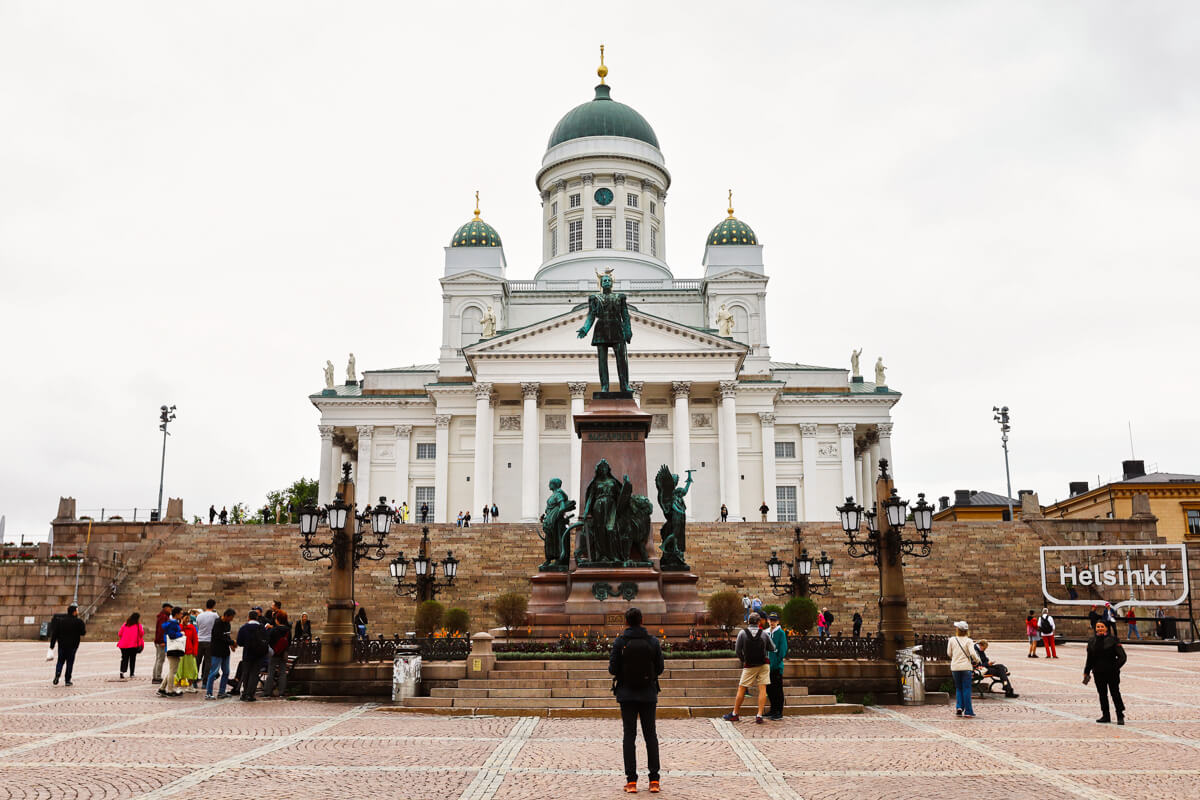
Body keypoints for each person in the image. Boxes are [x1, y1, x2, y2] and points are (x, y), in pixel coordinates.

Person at [609, 606, 664, 794]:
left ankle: (631, 782)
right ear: (642, 620)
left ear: (626, 622)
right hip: (648, 694)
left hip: (627, 694)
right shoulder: (653, 641)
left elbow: (613, 669)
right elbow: (660, 668)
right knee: (651, 737)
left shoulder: (620, 642)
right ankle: (654, 781)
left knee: (629, 737)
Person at [723, 612, 776, 724]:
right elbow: (772, 648)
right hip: (763, 664)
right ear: (758, 622)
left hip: (749, 665)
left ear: (748, 621)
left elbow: (737, 650)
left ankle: (735, 713)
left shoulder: (742, 633)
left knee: (742, 688)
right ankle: (759, 715)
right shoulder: (763, 634)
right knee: (762, 689)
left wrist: (744, 660)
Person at [1084, 620, 1127, 724]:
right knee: (1102, 694)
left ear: (1107, 628)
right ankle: (1105, 715)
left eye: (1102, 626)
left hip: (1112, 672)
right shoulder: (1092, 641)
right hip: (1098, 672)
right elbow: (1089, 658)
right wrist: (1086, 671)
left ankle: (1120, 715)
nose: (1099, 628)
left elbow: (1122, 657)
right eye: (1098, 627)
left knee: (1115, 693)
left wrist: (1115, 667)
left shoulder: (1113, 640)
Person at [947, 621, 980, 717]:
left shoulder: (952, 640)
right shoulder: (968, 641)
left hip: (955, 667)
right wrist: (977, 660)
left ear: (958, 630)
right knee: (966, 688)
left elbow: (949, 653)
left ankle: (959, 707)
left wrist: (955, 658)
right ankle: (968, 711)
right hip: (966, 667)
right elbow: (973, 654)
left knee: (958, 688)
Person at [49, 604, 86, 686]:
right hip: (73, 646)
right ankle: (67, 680)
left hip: (62, 645)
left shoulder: (60, 621)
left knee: (60, 661)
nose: (78, 612)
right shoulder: (78, 622)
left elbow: (55, 634)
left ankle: (57, 674)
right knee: (70, 662)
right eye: (77, 610)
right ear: (74, 612)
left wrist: (52, 646)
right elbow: (83, 632)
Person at [236, 610, 268, 702]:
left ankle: (245, 693)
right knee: (254, 675)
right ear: (257, 617)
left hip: (247, 654)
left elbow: (239, 642)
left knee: (246, 674)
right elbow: (266, 640)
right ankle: (251, 694)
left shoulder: (244, 628)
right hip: (259, 655)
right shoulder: (261, 628)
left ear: (248, 617)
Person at [205, 608, 237, 699]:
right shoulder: (217, 623)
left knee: (226, 672)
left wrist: (231, 645)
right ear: (226, 616)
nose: (232, 619)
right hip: (217, 651)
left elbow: (227, 635)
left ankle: (221, 692)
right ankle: (209, 693)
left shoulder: (228, 624)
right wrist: (231, 642)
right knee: (213, 672)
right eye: (231, 617)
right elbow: (220, 638)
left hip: (225, 652)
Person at [765, 611, 789, 720]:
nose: (772, 622)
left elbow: (783, 650)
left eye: (774, 621)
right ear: (768, 621)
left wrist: (776, 663)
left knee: (778, 690)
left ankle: (779, 711)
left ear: (777, 621)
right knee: (769, 690)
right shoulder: (765, 633)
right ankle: (773, 710)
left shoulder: (781, 633)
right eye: (771, 620)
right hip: (767, 667)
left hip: (776, 667)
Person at [158, 607, 185, 697]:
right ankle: (170, 690)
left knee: (172, 670)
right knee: (173, 671)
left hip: (172, 648)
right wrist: (181, 634)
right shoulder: (173, 623)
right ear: (176, 614)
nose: (182, 615)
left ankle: (162, 688)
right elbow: (172, 635)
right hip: (174, 649)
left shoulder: (172, 623)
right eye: (181, 613)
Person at [264, 611, 291, 698]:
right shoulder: (288, 630)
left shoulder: (274, 630)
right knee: (282, 673)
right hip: (283, 654)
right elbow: (289, 642)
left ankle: (268, 692)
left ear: (278, 620)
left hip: (274, 653)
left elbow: (268, 641)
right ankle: (281, 692)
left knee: (271, 672)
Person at [195, 599, 219, 688]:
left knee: (197, 661)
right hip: (209, 640)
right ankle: (205, 682)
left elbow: (198, 626)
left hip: (200, 640)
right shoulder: (215, 615)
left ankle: (194, 680)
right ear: (213, 606)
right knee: (208, 662)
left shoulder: (199, 616)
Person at [176, 611, 199, 693]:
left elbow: (195, 640)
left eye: (188, 618)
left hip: (190, 652)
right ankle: (179, 687)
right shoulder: (178, 627)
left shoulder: (192, 627)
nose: (188, 620)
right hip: (180, 651)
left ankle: (190, 686)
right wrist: (181, 624)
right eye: (186, 618)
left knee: (192, 670)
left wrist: (195, 651)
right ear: (181, 618)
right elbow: (178, 633)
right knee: (179, 670)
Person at [117, 612, 144, 680]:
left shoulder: (125, 625)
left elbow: (119, 634)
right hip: (133, 645)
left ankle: (122, 672)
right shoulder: (138, 625)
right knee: (132, 659)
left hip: (123, 645)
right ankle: (132, 673)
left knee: (124, 659)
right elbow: (141, 633)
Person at [151, 601, 172, 683]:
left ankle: (155, 676)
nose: (171, 610)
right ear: (166, 608)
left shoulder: (163, 616)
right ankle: (157, 677)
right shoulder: (163, 617)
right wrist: (162, 641)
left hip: (159, 641)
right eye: (170, 608)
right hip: (161, 641)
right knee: (160, 659)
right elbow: (161, 630)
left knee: (158, 659)